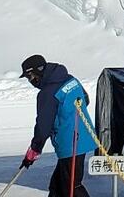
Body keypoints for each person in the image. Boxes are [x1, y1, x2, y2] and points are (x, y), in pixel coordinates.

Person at [19, 55, 96, 197]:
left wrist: (34, 151)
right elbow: (85, 99)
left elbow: (43, 127)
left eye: (30, 76)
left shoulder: (47, 93)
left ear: (39, 71)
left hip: (71, 143)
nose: (30, 81)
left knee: (71, 188)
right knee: (57, 186)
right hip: (82, 137)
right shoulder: (70, 79)